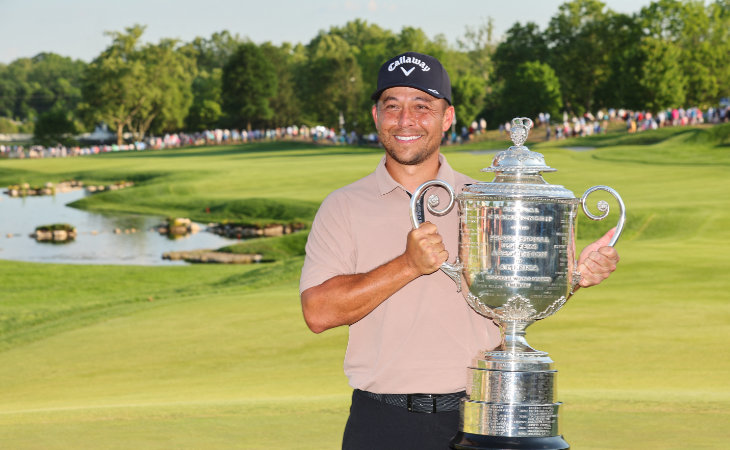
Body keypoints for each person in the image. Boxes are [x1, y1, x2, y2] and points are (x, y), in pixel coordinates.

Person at [299, 52, 619, 450]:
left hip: (482, 416)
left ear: (447, 117)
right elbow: (318, 312)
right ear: (375, 115)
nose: (406, 120)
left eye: (422, 106)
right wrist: (407, 265)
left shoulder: (487, 200)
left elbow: (515, 295)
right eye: (392, 106)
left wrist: (572, 276)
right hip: (383, 424)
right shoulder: (343, 205)